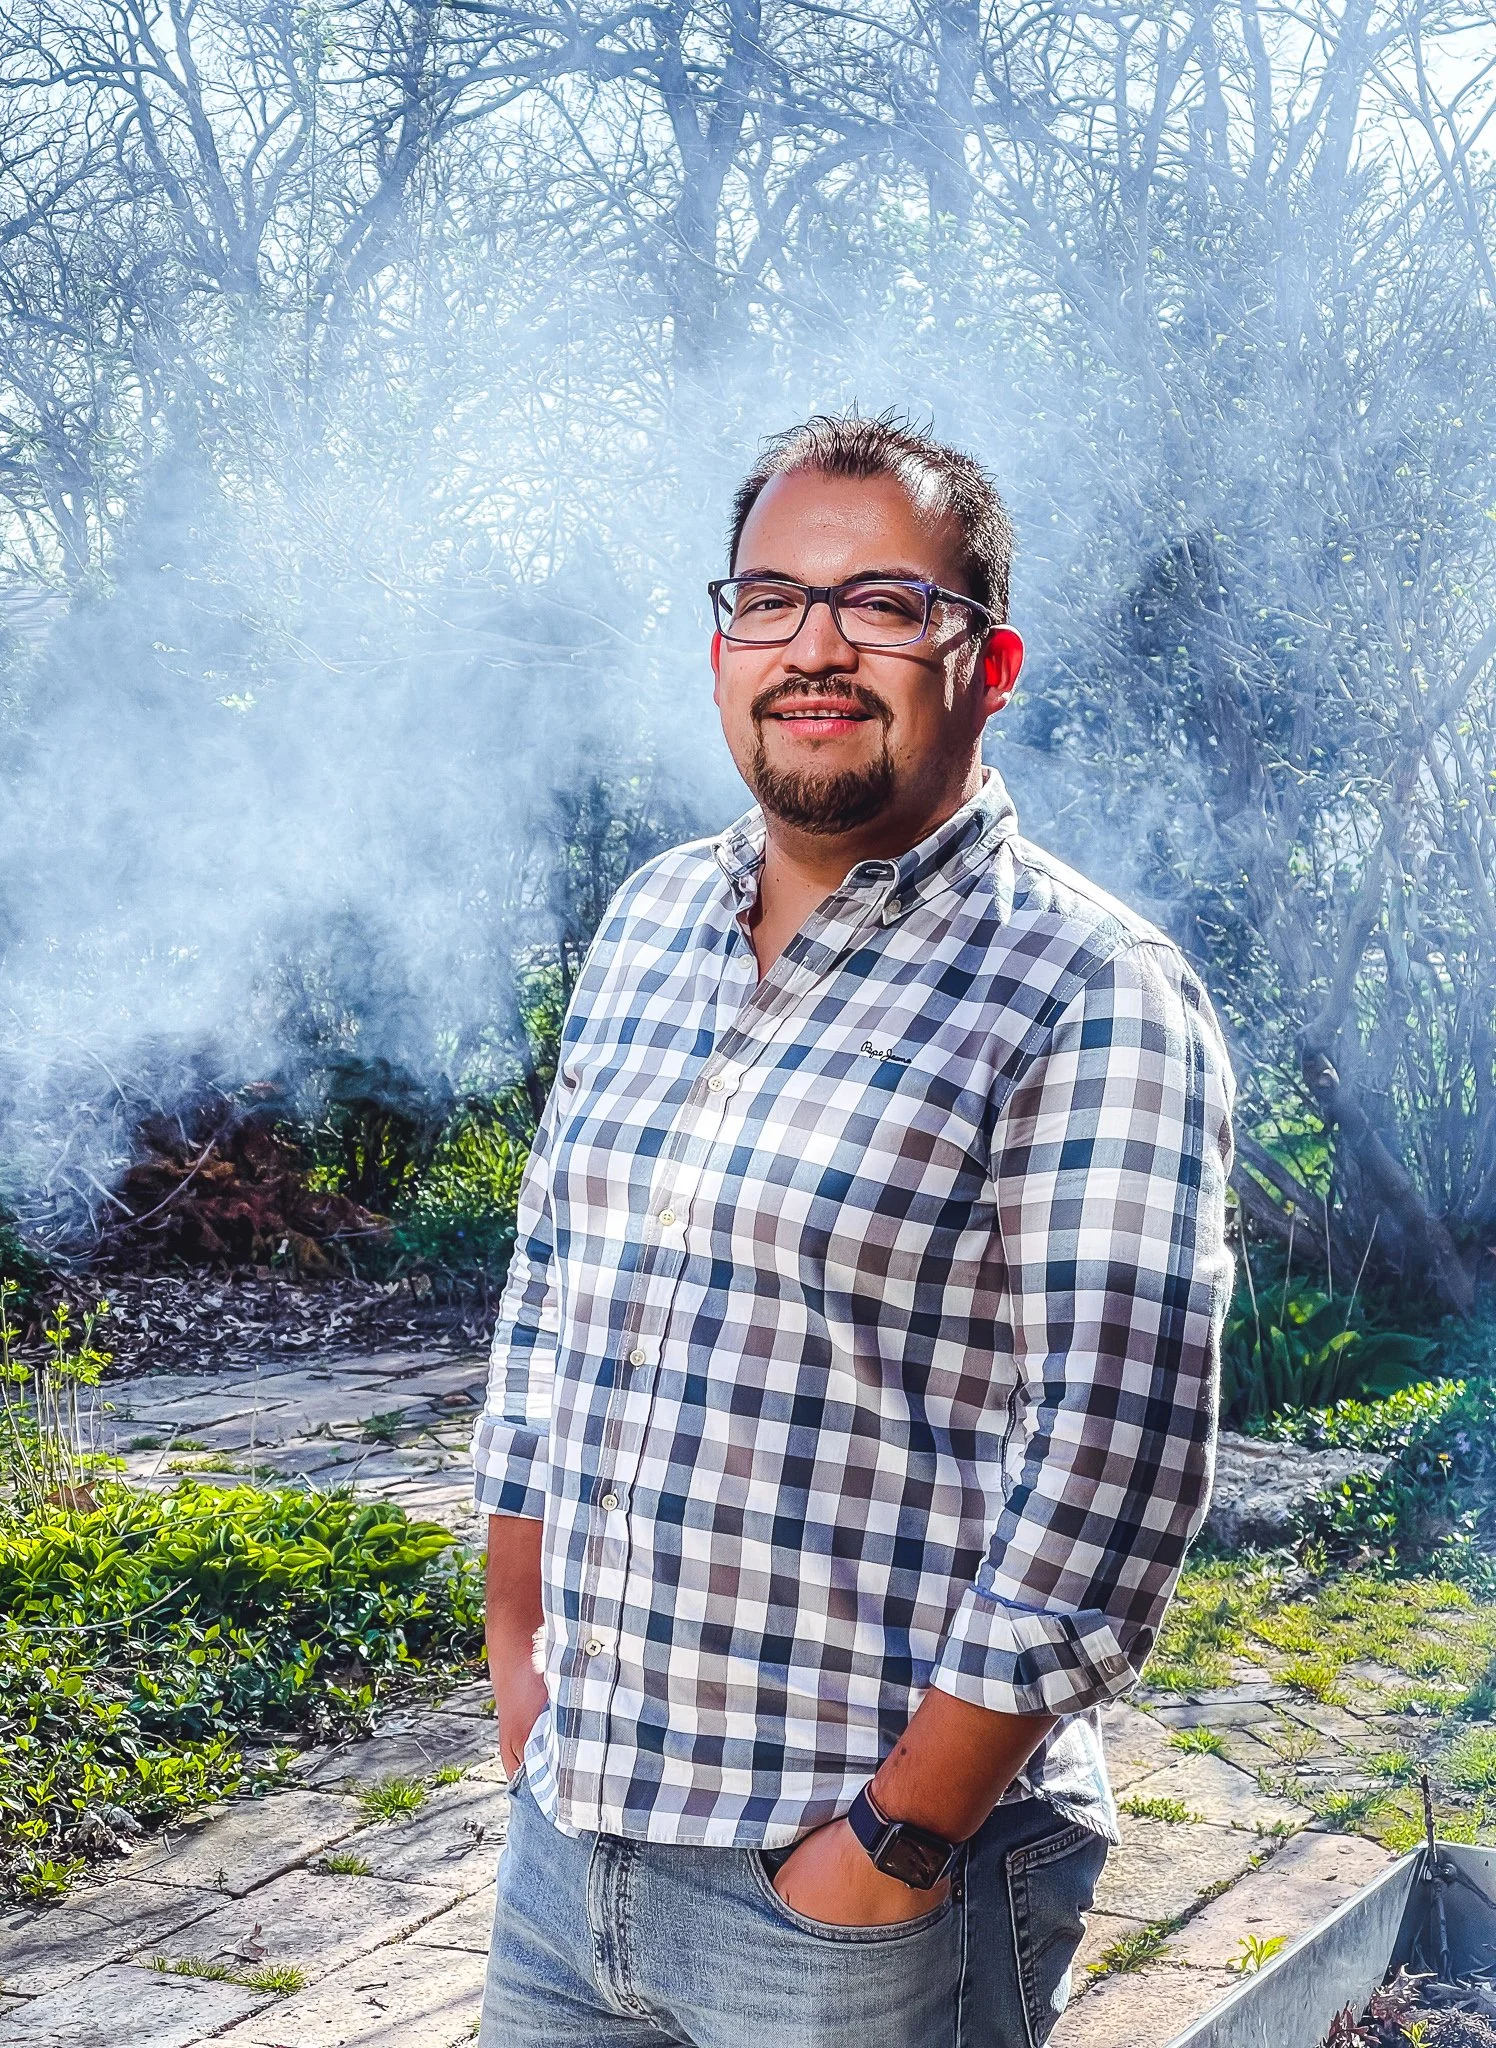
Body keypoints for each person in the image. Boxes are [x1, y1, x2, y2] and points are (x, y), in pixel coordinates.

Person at [472, 412, 1234, 2048]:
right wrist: (517, 1653)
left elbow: (1115, 1458)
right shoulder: (653, 918)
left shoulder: (1090, 989)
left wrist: (891, 1840)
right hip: (572, 1837)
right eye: (772, 601)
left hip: (855, 1895)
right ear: (721, 644)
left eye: (884, 604)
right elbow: (552, 1294)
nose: (816, 647)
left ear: (990, 658)